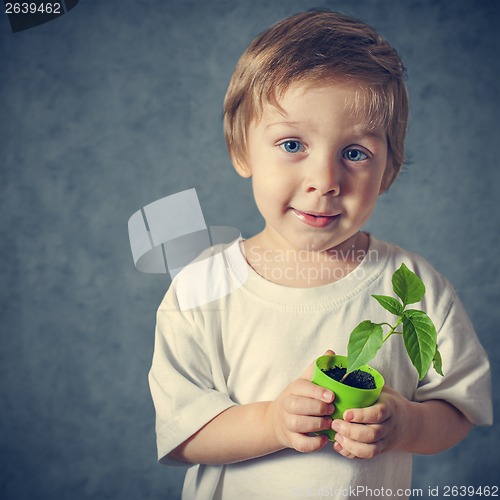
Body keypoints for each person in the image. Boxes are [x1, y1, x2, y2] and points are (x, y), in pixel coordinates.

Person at [149, 10, 492, 499]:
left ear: (388, 171)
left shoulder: (413, 287)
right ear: (241, 149)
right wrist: (272, 421)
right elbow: (182, 434)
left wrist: (408, 424)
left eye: (355, 153)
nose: (325, 180)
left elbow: (459, 408)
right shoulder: (203, 288)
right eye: (292, 144)